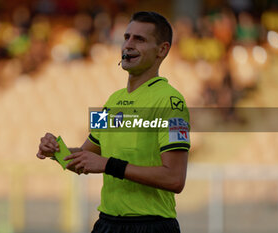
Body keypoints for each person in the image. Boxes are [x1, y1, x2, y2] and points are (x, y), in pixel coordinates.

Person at [37, 11, 190, 233]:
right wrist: (56, 151)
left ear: (162, 50)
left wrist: (109, 165)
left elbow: (175, 179)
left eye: (139, 39)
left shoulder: (171, 101)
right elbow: (84, 158)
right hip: (107, 223)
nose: (128, 44)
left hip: (151, 226)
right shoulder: (112, 101)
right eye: (126, 37)